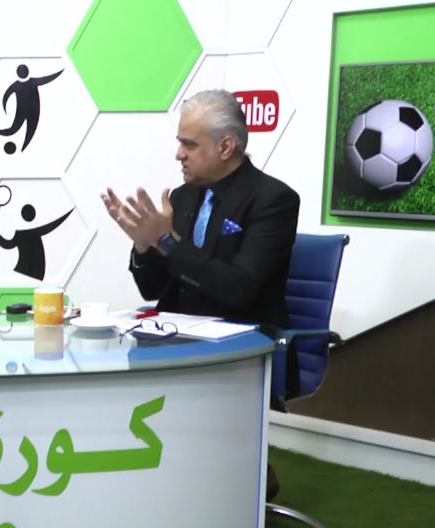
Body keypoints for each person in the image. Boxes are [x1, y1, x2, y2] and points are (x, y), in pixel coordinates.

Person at [101, 88, 300, 497]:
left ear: (226, 146)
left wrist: (168, 242)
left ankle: (242, 481)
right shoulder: (182, 197)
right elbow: (153, 288)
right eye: (180, 143)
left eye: (189, 144)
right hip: (179, 336)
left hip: (245, 342)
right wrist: (143, 245)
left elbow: (240, 289)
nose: (179, 154)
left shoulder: (273, 200)